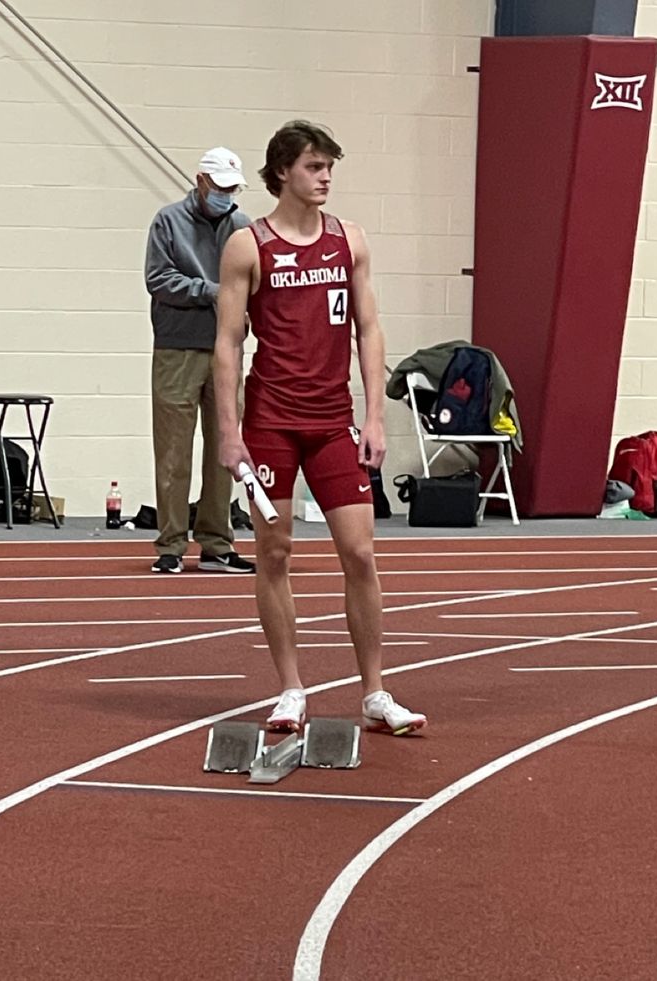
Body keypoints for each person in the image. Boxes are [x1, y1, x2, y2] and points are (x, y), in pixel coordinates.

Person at [213, 120, 427, 736]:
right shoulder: (248, 246)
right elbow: (227, 344)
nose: (326, 176)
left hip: (333, 421)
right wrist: (229, 433)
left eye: (330, 166)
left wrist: (375, 415)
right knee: (274, 552)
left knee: (360, 553)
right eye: (314, 166)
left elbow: (370, 328)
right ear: (283, 171)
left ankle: (375, 692)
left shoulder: (349, 241)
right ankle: (289, 689)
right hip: (271, 424)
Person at [145, 147, 256, 575]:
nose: (227, 196)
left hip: (226, 351)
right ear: (201, 181)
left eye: (233, 189)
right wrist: (211, 291)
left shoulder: (242, 227)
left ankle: (216, 542)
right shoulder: (168, 221)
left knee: (224, 449)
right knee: (173, 452)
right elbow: (158, 279)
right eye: (221, 188)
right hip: (176, 348)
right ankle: (171, 544)